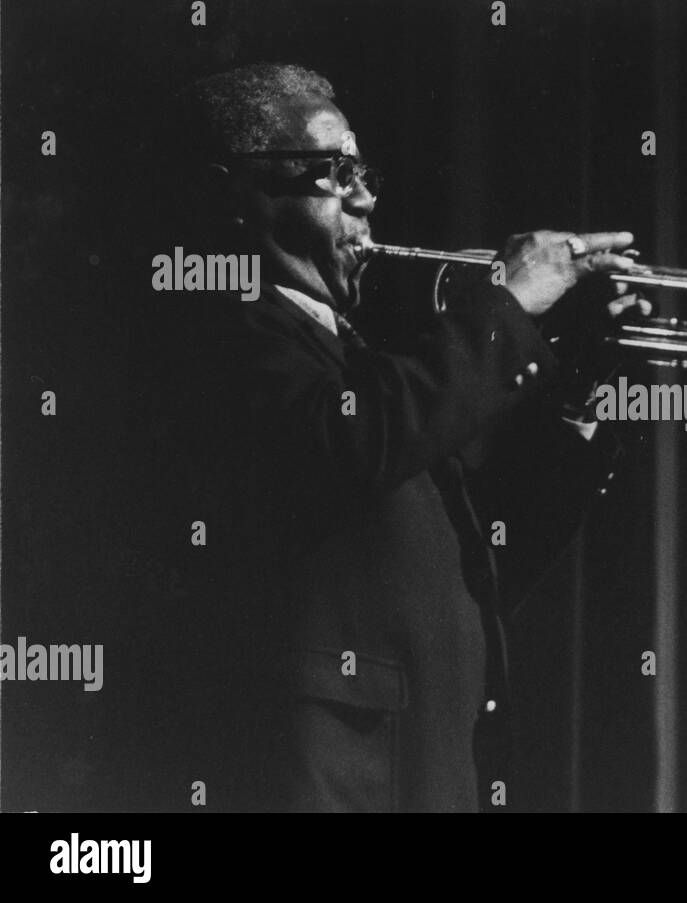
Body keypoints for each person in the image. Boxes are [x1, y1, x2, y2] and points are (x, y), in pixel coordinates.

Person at [140, 62, 639, 812]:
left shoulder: (362, 365)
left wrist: (579, 390)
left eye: (362, 171)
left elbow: (487, 562)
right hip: (325, 784)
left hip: (418, 777)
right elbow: (356, 441)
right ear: (233, 192)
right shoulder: (223, 329)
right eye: (333, 172)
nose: (367, 196)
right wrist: (504, 307)